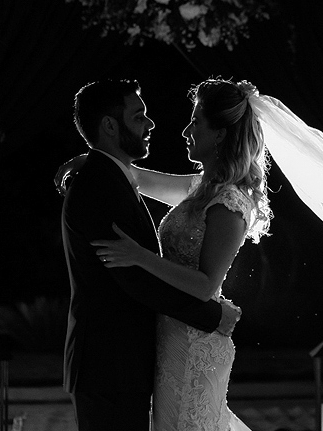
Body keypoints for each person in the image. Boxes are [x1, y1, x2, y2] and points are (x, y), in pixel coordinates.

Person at [62, 77, 272, 429]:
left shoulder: (229, 203)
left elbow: (206, 285)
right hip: (164, 340)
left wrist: (140, 256)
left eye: (196, 122)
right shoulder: (200, 189)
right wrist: (92, 158)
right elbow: (133, 176)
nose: (186, 131)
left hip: (193, 343)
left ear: (220, 134)